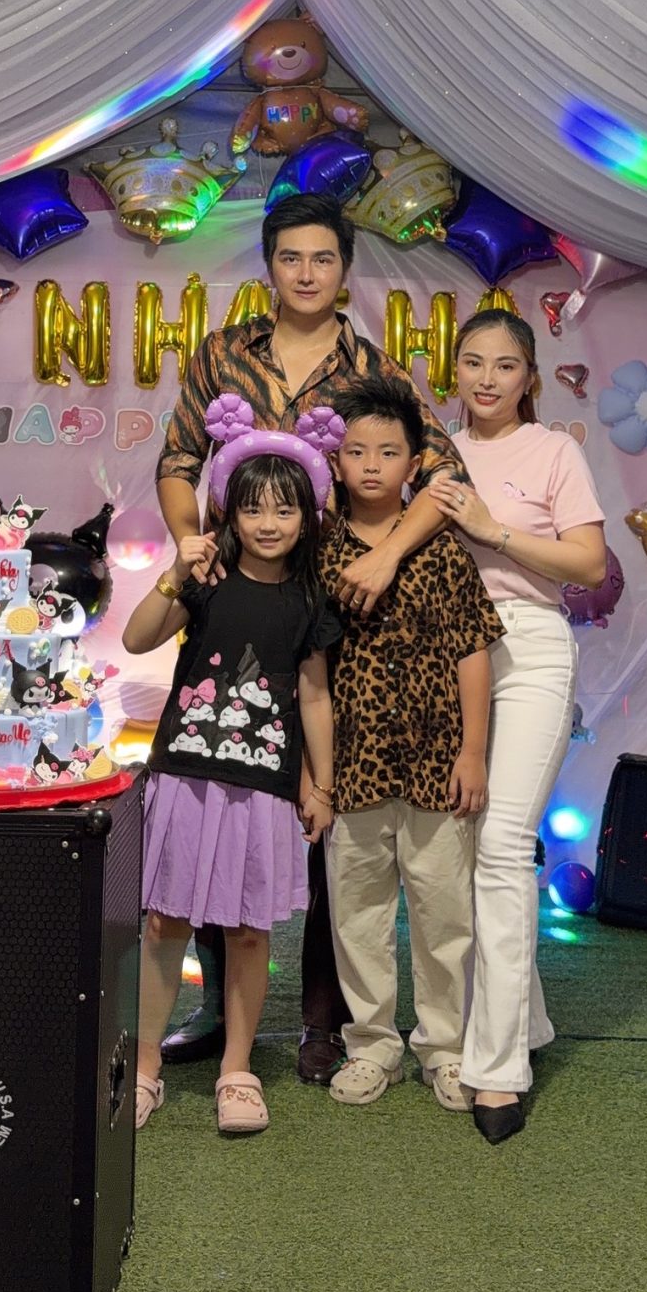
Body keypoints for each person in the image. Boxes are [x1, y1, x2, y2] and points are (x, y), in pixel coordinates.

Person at [155, 192, 465, 1083]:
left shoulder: (372, 367)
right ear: (268, 266)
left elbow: (443, 473)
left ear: (344, 270)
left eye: (322, 259)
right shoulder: (222, 353)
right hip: (233, 599)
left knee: (329, 808)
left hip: (336, 604)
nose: (305, 273)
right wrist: (189, 542)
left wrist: (385, 555)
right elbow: (177, 461)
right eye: (290, 257)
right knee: (222, 784)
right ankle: (216, 1009)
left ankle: (324, 1022)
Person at [127, 399, 342, 1137]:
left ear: (308, 517)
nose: (268, 523)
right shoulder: (205, 578)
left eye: (285, 508)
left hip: (266, 789)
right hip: (184, 778)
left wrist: (321, 784)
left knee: (250, 931)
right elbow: (135, 640)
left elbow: (314, 696)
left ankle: (237, 1071)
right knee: (165, 923)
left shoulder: (310, 599)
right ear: (230, 513)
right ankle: (144, 1066)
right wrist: (172, 573)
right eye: (253, 509)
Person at [428, 309, 607, 1144]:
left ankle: (496, 1069)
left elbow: (589, 563)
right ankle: (522, 1020)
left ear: (529, 378)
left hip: (529, 645)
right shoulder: (433, 451)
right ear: (453, 370)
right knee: (465, 846)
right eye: (473, 362)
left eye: (505, 365)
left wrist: (492, 529)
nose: (487, 378)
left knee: (502, 846)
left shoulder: (553, 452)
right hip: (442, 653)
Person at [320, 378, 503, 1111]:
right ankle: (370, 1046)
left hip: (436, 766)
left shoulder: (443, 552)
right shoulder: (318, 552)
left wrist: (472, 752)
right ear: (333, 462)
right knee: (357, 915)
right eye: (355, 451)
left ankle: (445, 1047)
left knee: (443, 915)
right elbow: (308, 671)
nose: (371, 465)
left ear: (415, 463)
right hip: (353, 769)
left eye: (388, 452)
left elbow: (472, 651)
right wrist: (317, 775)